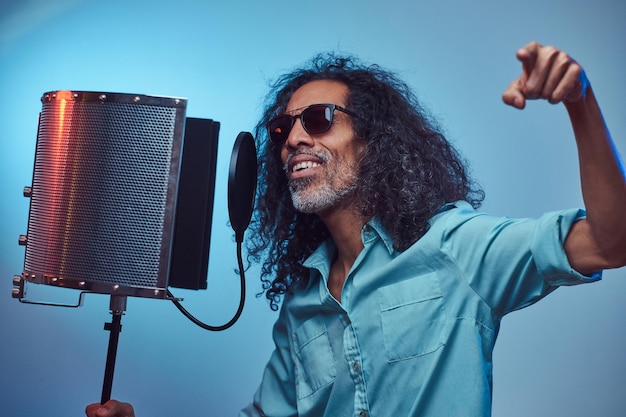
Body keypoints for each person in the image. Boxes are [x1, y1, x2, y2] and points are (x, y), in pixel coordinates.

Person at [86, 41, 626, 417]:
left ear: (374, 143)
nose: (293, 138)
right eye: (282, 127)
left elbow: (610, 242)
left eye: (318, 119)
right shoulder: (301, 306)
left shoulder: (454, 248)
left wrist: (580, 102)